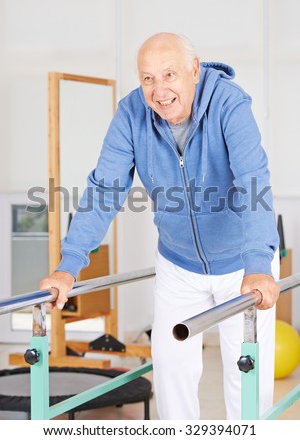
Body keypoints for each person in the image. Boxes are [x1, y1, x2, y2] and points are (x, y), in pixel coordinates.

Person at [40, 32, 280, 420]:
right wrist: (68, 266)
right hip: (178, 265)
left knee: (246, 381)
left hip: (241, 265)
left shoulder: (229, 104)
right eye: (148, 78)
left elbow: (253, 180)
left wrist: (257, 262)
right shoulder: (131, 113)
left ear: (195, 71)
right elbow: (105, 189)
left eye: (170, 75)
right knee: (172, 377)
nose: (159, 90)